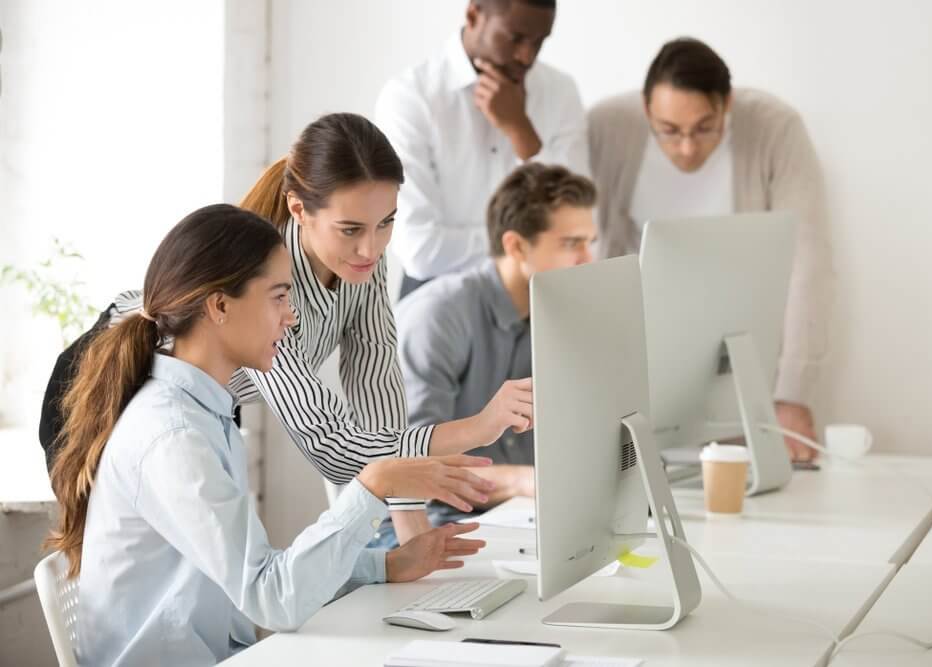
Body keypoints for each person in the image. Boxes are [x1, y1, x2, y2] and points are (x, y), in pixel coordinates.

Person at [40, 113, 533, 544]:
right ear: (299, 209)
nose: (372, 247)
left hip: (203, 411)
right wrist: (476, 427)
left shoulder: (362, 262)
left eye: (386, 223)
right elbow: (336, 450)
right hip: (99, 394)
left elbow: (375, 387)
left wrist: (411, 531)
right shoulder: (270, 286)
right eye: (351, 229)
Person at [45, 204, 492, 666]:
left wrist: (387, 565)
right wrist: (374, 485)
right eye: (278, 297)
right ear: (219, 306)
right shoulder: (174, 436)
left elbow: (256, 573)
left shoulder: (208, 414)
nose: (291, 317)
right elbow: (271, 597)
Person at [587, 37, 834, 461]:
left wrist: (793, 393)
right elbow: (579, 249)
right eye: (669, 131)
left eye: (705, 128)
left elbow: (806, 261)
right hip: (634, 364)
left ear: (728, 105)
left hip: (738, 361)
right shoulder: (606, 127)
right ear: (646, 110)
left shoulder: (776, 127)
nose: (687, 147)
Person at [370, 164, 596, 547]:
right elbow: (411, 471)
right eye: (571, 243)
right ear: (516, 246)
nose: (587, 259)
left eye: (590, 241)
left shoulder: (560, 311)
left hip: (512, 520)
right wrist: (525, 481)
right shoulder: (439, 317)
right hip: (418, 528)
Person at [375, 0, 589, 298]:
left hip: (539, 300)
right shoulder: (410, 99)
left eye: (540, 42)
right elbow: (419, 248)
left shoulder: (560, 92)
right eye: (516, 38)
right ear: (474, 14)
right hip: (439, 301)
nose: (527, 56)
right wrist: (529, 246)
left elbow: (576, 222)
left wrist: (522, 134)